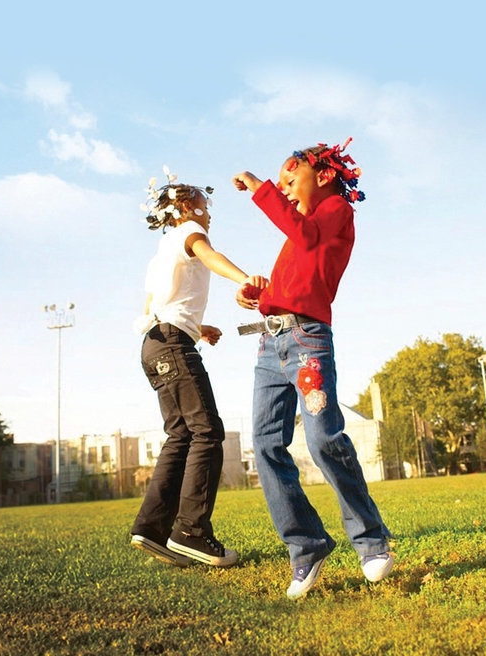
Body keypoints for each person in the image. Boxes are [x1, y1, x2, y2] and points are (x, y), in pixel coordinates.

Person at [232, 138, 394, 598]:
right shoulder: (297, 234)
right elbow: (288, 284)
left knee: (323, 437)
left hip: (307, 343)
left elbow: (305, 237)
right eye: (279, 184)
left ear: (322, 177)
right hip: (270, 344)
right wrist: (256, 297)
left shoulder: (336, 212)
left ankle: (371, 540)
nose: (282, 188)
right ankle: (307, 548)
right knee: (265, 445)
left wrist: (260, 188)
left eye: (289, 179)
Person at [130, 167, 267, 568]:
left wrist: (196, 327)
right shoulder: (190, 231)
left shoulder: (161, 253)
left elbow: (152, 307)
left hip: (153, 344)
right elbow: (210, 256)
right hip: (172, 345)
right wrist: (245, 280)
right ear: (187, 207)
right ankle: (191, 532)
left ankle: (151, 528)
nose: (208, 216)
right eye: (205, 208)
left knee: (181, 436)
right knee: (207, 431)